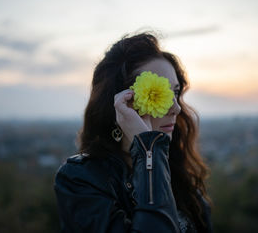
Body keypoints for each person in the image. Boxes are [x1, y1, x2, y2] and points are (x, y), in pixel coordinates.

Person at [54, 32, 213, 233]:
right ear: (122, 102)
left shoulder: (179, 174)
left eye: (175, 91)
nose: (177, 108)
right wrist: (148, 149)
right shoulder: (80, 180)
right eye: (160, 93)